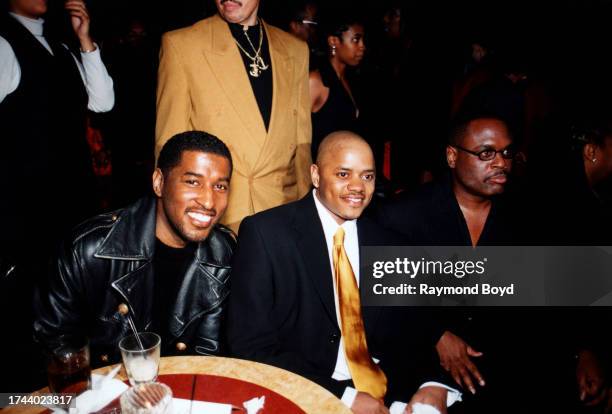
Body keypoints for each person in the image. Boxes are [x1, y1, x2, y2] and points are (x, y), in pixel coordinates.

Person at [228, 131, 460, 414]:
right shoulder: (265, 234)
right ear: (315, 175)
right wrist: (344, 397)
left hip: (391, 393)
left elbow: (412, 329)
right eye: (343, 174)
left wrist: (432, 384)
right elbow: (250, 347)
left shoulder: (388, 242)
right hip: (307, 392)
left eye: (367, 176)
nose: (357, 187)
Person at [33, 131, 236, 367]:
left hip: (182, 392)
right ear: (159, 182)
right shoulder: (88, 248)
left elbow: (208, 353)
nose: (209, 201)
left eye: (220, 186)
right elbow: (55, 345)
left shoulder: (224, 251)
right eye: (193, 182)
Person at [0, 0, 114, 391]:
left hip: (74, 203)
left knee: (76, 304)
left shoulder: (60, 46)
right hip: (28, 213)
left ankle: (80, 393)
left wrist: (85, 40)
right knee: (35, 320)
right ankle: (34, 398)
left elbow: (102, 101)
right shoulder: (4, 43)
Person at [156, 0, 312, 232]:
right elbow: (169, 145)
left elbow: (301, 144)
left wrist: (306, 211)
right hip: (217, 214)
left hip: (282, 211)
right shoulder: (182, 45)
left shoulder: (295, 49)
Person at [309, 12, 365, 159]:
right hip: (321, 172)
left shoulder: (350, 79)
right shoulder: (316, 80)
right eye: (355, 40)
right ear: (334, 41)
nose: (362, 46)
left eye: (362, 40)